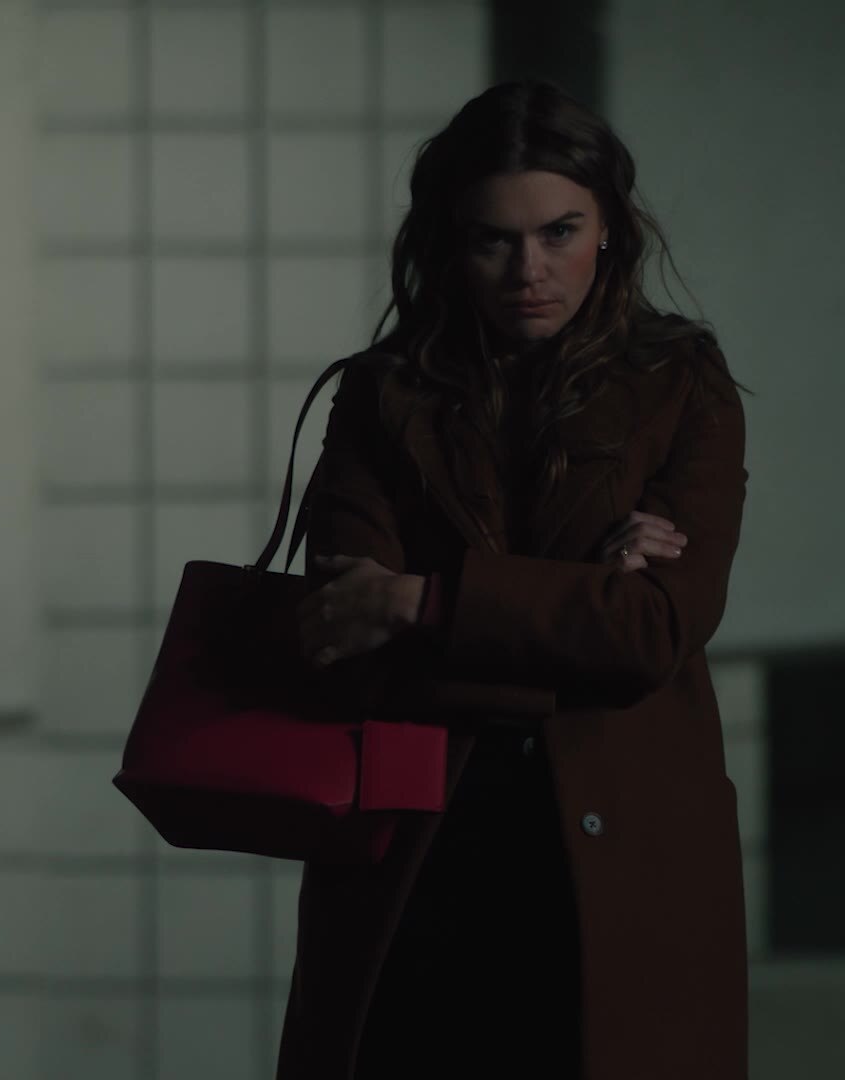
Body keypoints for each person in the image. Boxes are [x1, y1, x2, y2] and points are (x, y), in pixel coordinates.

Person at [280, 80, 750, 1080]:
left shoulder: (681, 384)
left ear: (609, 229)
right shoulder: (383, 394)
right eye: (493, 240)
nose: (529, 271)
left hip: (626, 862)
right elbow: (344, 635)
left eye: (559, 232)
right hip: (422, 862)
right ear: (451, 245)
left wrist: (423, 602)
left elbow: (652, 633)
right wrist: (580, 605)